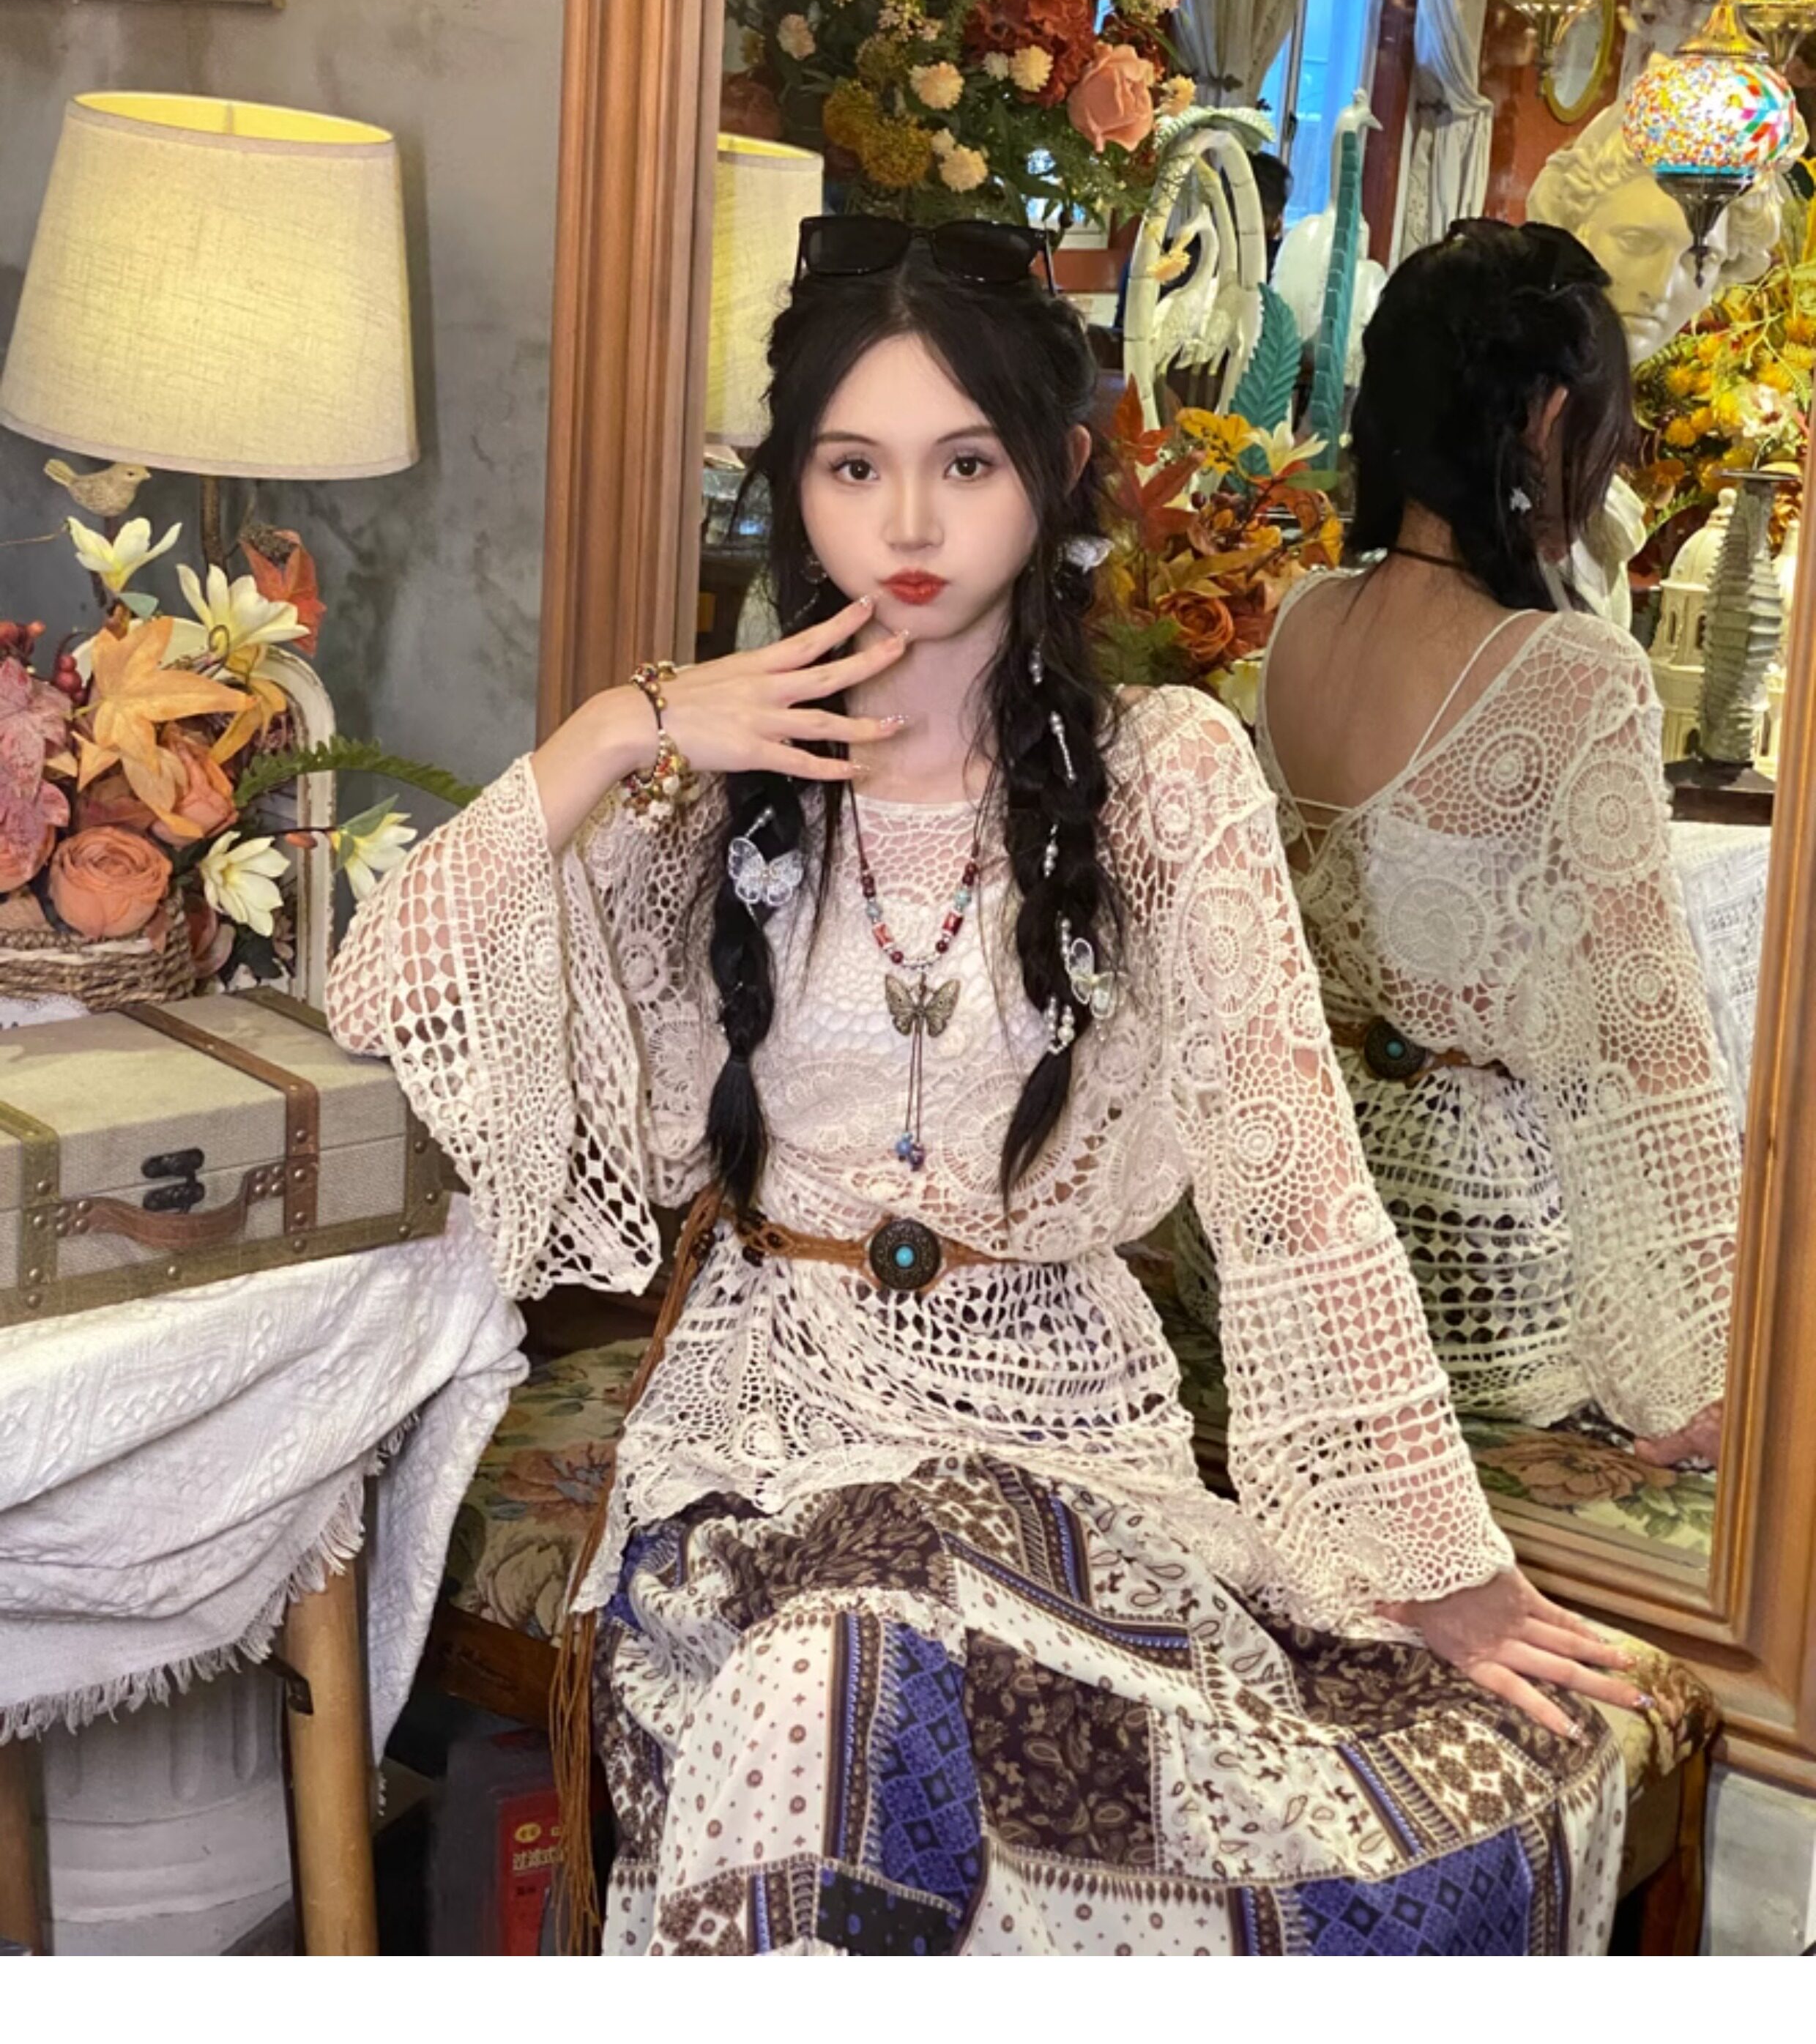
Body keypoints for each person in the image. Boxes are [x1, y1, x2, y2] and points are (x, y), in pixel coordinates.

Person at [327, 218, 1643, 1959]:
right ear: (792, 483)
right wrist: (619, 727)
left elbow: (1294, 1183)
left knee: (1204, 1783)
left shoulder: (1166, 772)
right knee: (829, 1675)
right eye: (852, 466)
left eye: (964, 463)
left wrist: (1431, 1553)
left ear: (1058, 467)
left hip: (1065, 1438)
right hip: (765, 1435)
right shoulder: (704, 772)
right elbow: (385, 992)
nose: (909, 525)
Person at [1251, 220, 1738, 1471]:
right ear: (1549, 417)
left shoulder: (1301, 623)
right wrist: (1722, 1356)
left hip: (1292, 1231)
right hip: (1466, 1254)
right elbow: (1650, 1040)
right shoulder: (1577, 672)